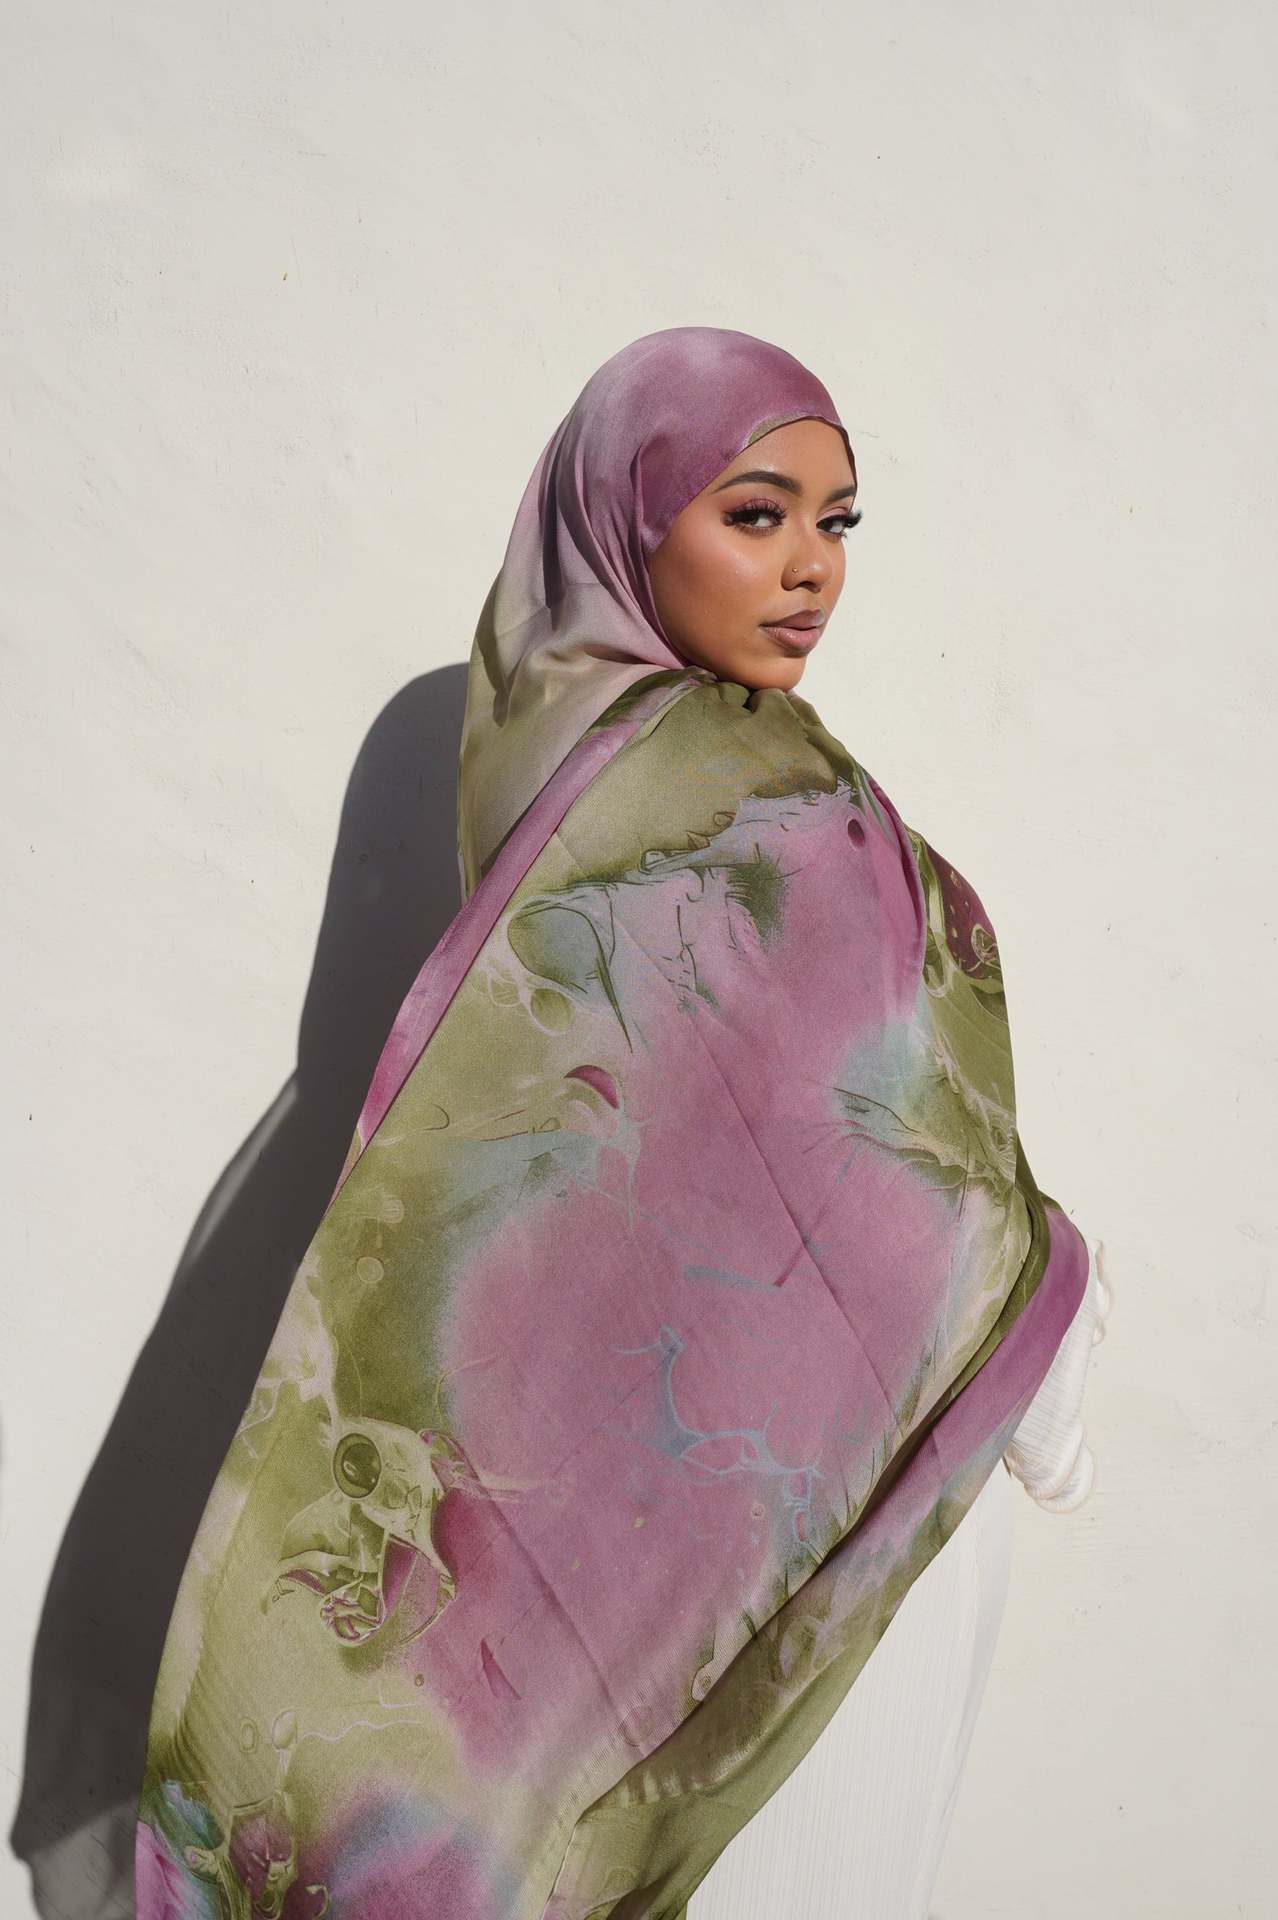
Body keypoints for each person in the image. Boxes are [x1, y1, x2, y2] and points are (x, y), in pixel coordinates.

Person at [134, 326, 1105, 1920]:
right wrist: (1051, 1276)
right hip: (815, 1541)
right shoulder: (746, 794)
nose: (811, 568)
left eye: (836, 522)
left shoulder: (541, 760)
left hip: (695, 1532)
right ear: (625, 516)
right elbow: (886, 1195)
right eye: (754, 513)